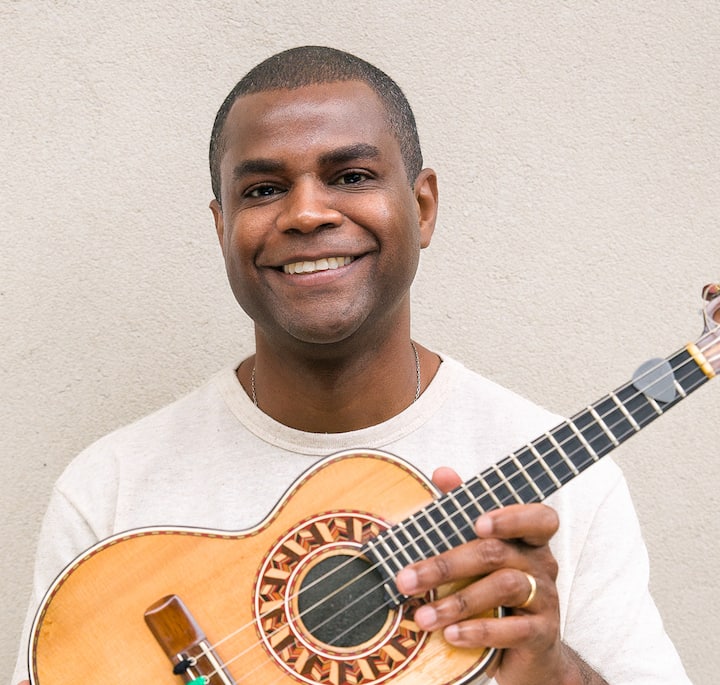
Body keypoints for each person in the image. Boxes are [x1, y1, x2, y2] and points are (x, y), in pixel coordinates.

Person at [13, 46, 690, 685]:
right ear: (221, 228)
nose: (307, 212)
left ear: (421, 207)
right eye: (263, 189)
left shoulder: (574, 489)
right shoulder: (111, 489)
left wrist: (549, 665)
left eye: (352, 177)